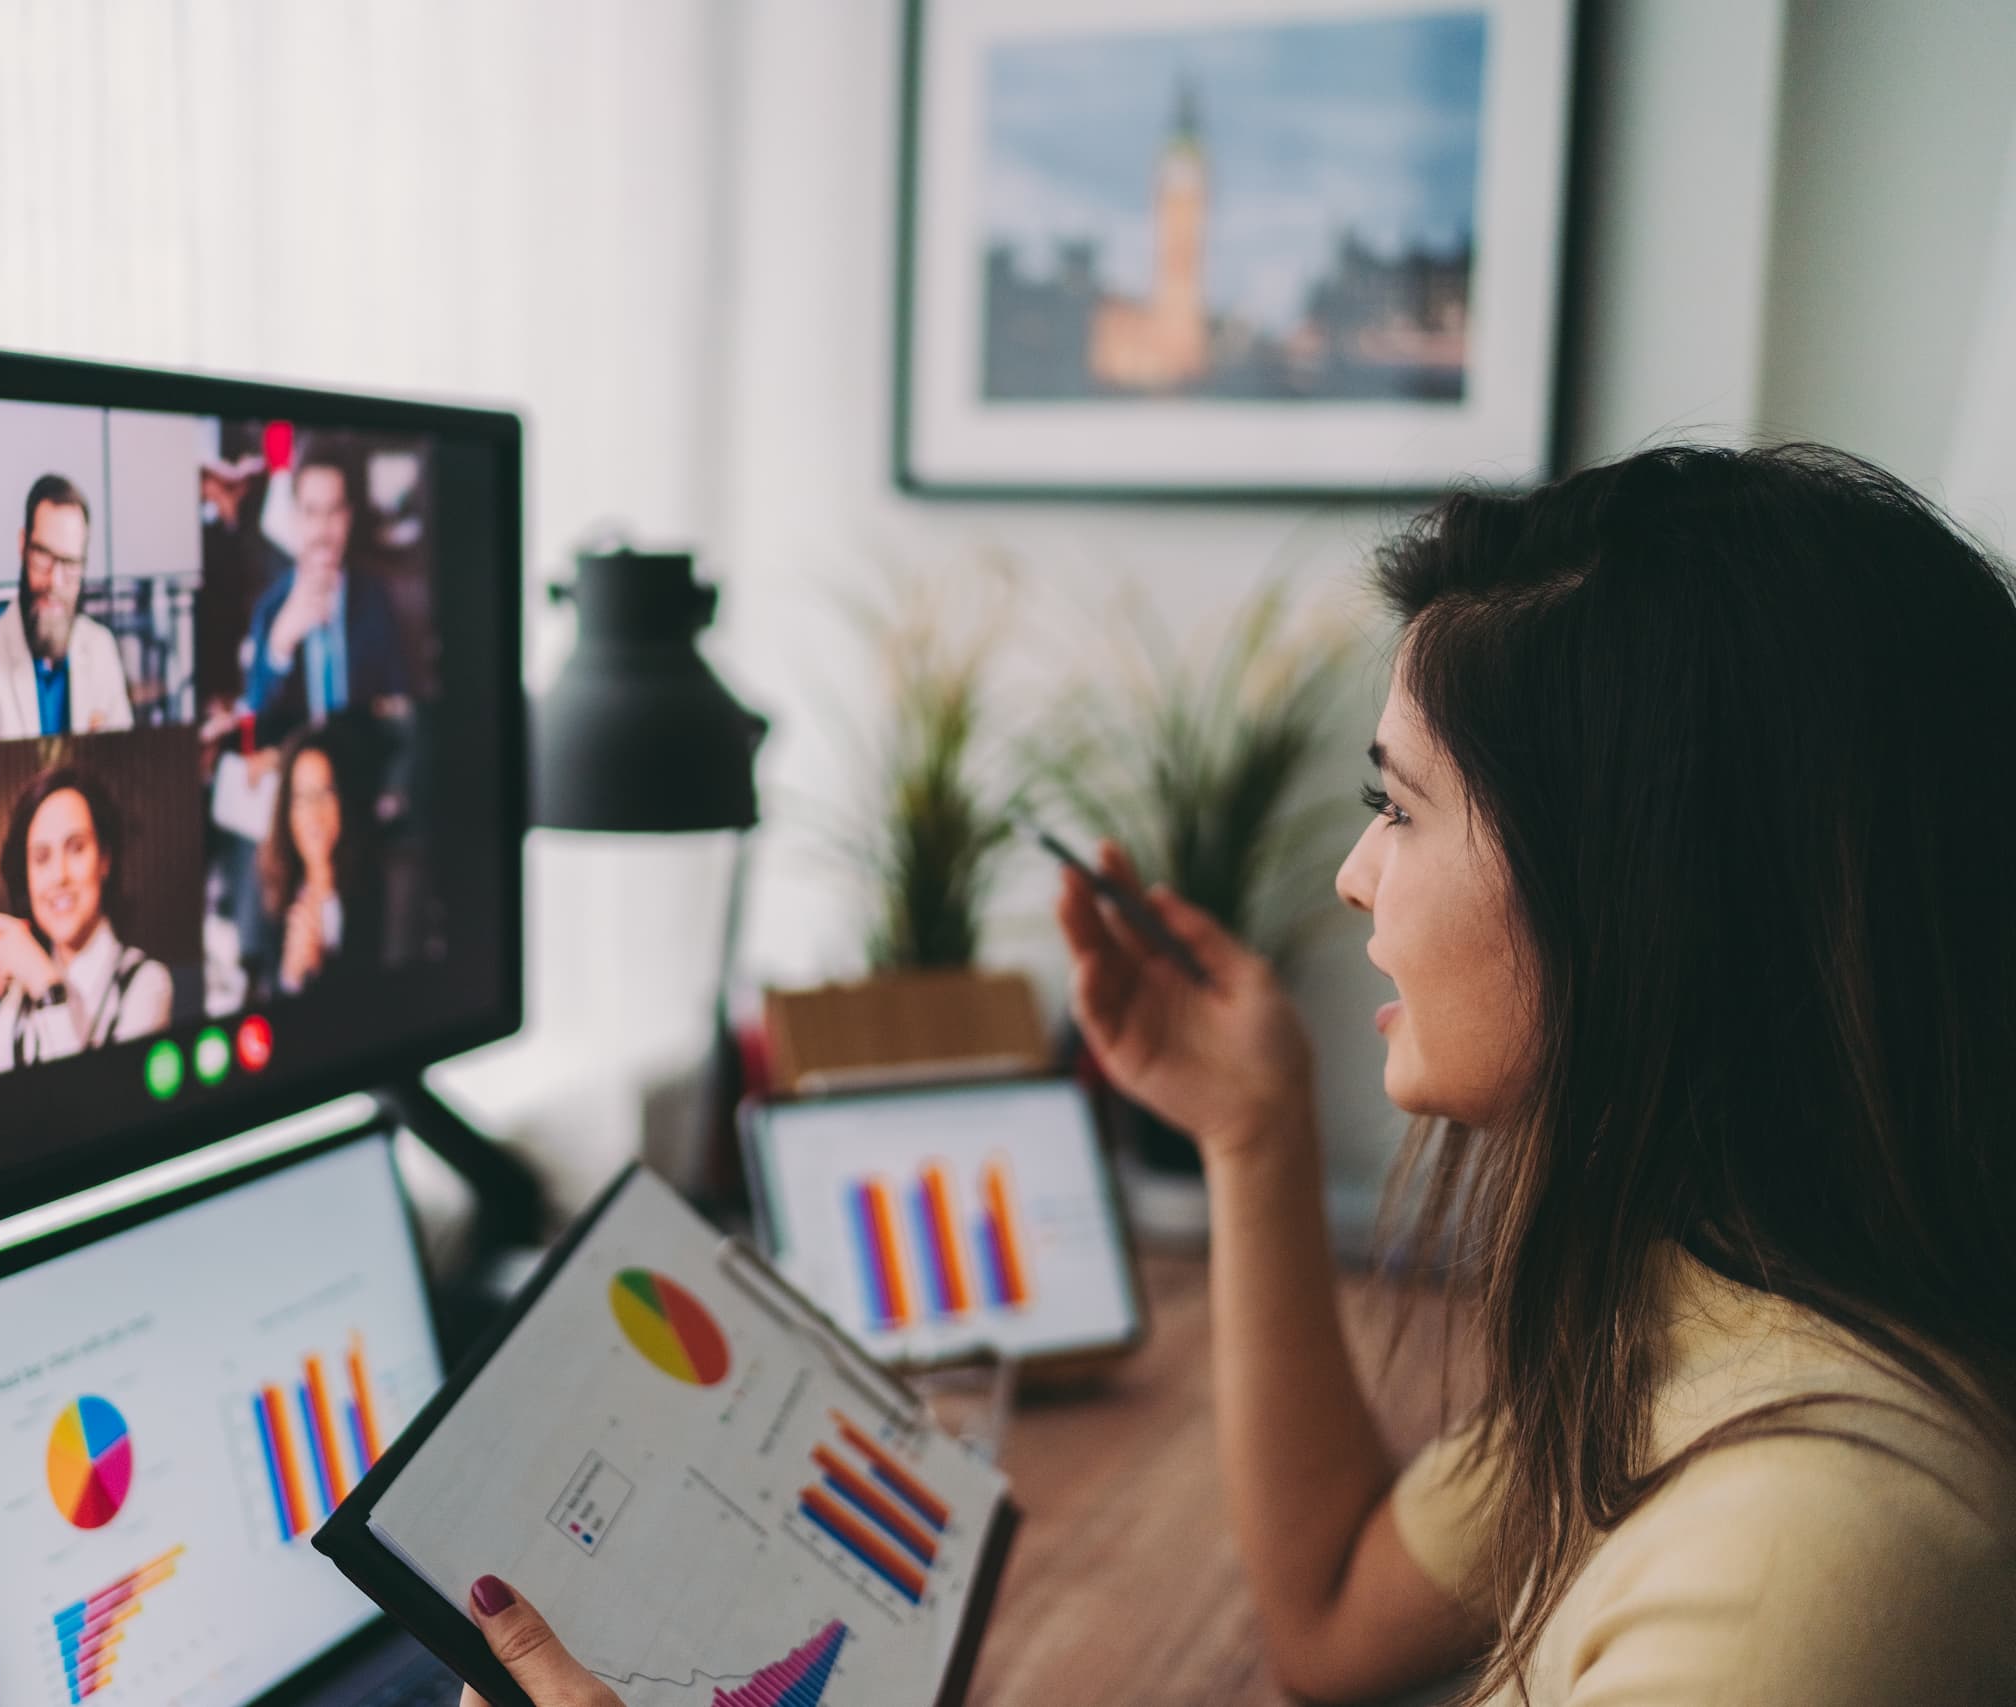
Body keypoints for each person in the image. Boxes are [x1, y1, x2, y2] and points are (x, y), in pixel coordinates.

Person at [450, 445, 2016, 1707]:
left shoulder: (1817, 1551)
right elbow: (1335, 1609)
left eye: (1397, 807)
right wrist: (1252, 1124)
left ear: (1633, 897)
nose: (1351, 876)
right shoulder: (1683, 1323)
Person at [0, 765, 171, 1087]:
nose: (58, 875)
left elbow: (95, 1111)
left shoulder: (146, 984)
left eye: (76, 848)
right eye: (41, 858)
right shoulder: (18, 1000)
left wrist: (47, 987)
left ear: (104, 860)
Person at [237, 438, 411, 740]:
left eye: (334, 511)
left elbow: (400, 712)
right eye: (311, 512)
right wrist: (280, 645)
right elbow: (256, 734)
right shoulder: (269, 609)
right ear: (294, 518)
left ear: (349, 517)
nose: (322, 530)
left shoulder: (376, 597)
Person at [0, 473, 135, 741]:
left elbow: (122, 767)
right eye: (43, 557)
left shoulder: (101, 648)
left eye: (69, 564)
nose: (54, 582)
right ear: (23, 547)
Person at [251, 724, 381, 996]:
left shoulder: (379, 883)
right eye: (302, 798)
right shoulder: (274, 895)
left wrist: (323, 966)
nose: (314, 812)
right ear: (287, 810)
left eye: (325, 793)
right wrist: (290, 976)